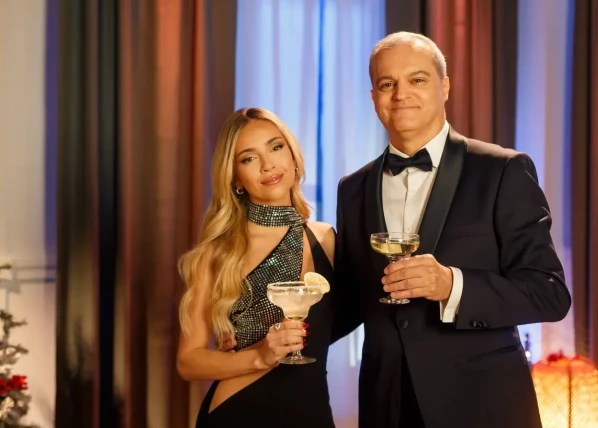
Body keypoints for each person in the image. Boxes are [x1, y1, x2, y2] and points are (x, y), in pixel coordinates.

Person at [333, 32, 572, 428]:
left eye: (418, 79)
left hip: (482, 405)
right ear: (373, 96)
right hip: (385, 405)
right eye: (387, 84)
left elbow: (549, 294)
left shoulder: (503, 170)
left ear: (445, 86)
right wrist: (270, 341)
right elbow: (353, 300)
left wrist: (451, 285)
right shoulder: (352, 188)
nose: (400, 94)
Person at [176, 107, 337, 427]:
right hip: (240, 412)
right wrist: (259, 354)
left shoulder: (327, 239)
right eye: (249, 158)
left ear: (292, 155)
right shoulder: (218, 252)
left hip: (312, 412)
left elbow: (344, 317)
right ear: (235, 178)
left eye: (276, 147)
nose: (268, 165)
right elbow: (188, 361)